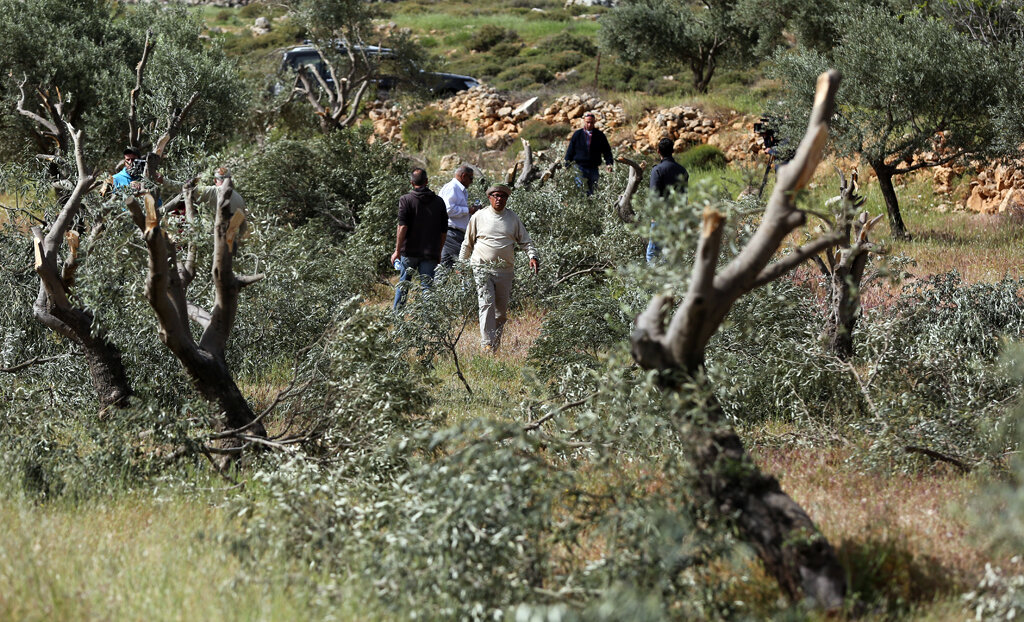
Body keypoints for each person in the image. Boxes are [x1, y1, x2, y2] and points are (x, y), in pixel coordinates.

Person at [460, 184, 539, 353]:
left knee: (500, 312)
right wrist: (462, 264)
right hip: (481, 267)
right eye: (495, 195)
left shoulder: (512, 218)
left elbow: (525, 241)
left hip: (505, 269)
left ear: (507, 199)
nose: (499, 199)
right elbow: (467, 243)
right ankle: (486, 344)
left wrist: (532, 256)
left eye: (502, 196)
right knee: (486, 303)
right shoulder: (479, 216)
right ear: (489, 198)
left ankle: (494, 345)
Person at [391, 168, 448, 310]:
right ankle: (429, 319)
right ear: (427, 181)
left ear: (412, 182)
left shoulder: (406, 200)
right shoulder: (439, 202)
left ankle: (397, 318)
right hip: (430, 253)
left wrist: (397, 251)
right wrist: (439, 251)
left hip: (409, 251)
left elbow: (402, 227)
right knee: (427, 288)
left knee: (403, 286)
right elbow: (443, 231)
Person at [646, 137, 689, 263]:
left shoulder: (657, 170)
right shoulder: (682, 170)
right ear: (672, 151)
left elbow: (654, 195)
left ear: (658, 151)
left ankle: (654, 276)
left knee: (652, 254)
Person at [438, 165, 478, 268]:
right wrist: (469, 210)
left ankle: (440, 279)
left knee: (446, 266)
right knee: (461, 265)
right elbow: (448, 209)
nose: (471, 182)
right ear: (464, 176)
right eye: (471, 178)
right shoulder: (452, 188)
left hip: (453, 233)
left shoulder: (458, 189)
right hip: (452, 233)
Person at [564, 112, 613, 196]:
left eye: (591, 122)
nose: (589, 124)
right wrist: (566, 164)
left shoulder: (600, 135)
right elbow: (570, 150)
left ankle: (591, 204)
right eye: (588, 122)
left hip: (593, 168)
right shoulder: (577, 134)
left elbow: (607, 151)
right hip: (580, 167)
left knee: (593, 191)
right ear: (584, 121)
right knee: (581, 190)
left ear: (594, 122)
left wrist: (609, 163)